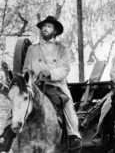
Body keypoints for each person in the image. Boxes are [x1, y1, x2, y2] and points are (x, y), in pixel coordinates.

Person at [0, 16, 82, 152]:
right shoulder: (32, 49)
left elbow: (65, 69)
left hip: (56, 86)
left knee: (67, 104)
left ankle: (73, 135)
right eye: (43, 26)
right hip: (35, 85)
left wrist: (50, 73)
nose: (45, 28)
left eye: (49, 26)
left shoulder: (62, 49)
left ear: (55, 31)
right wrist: (31, 78)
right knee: (18, 98)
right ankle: (7, 133)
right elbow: (26, 69)